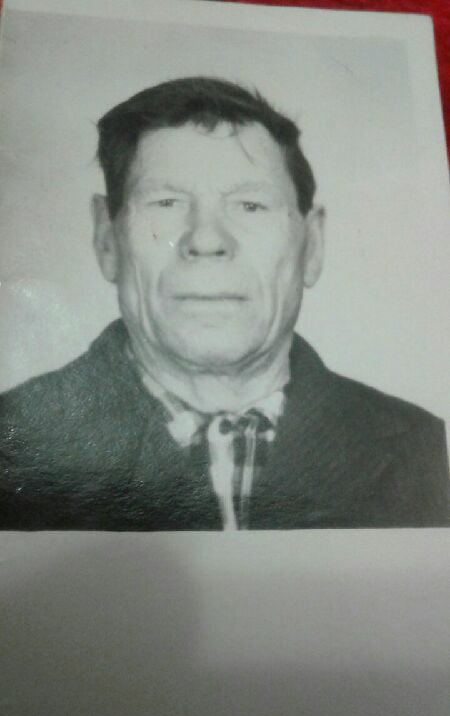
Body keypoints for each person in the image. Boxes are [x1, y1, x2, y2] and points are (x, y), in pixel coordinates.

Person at [1, 77, 448, 530]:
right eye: (166, 202)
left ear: (311, 246)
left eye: (250, 205)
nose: (206, 240)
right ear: (106, 239)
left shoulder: (424, 447)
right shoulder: (11, 439)